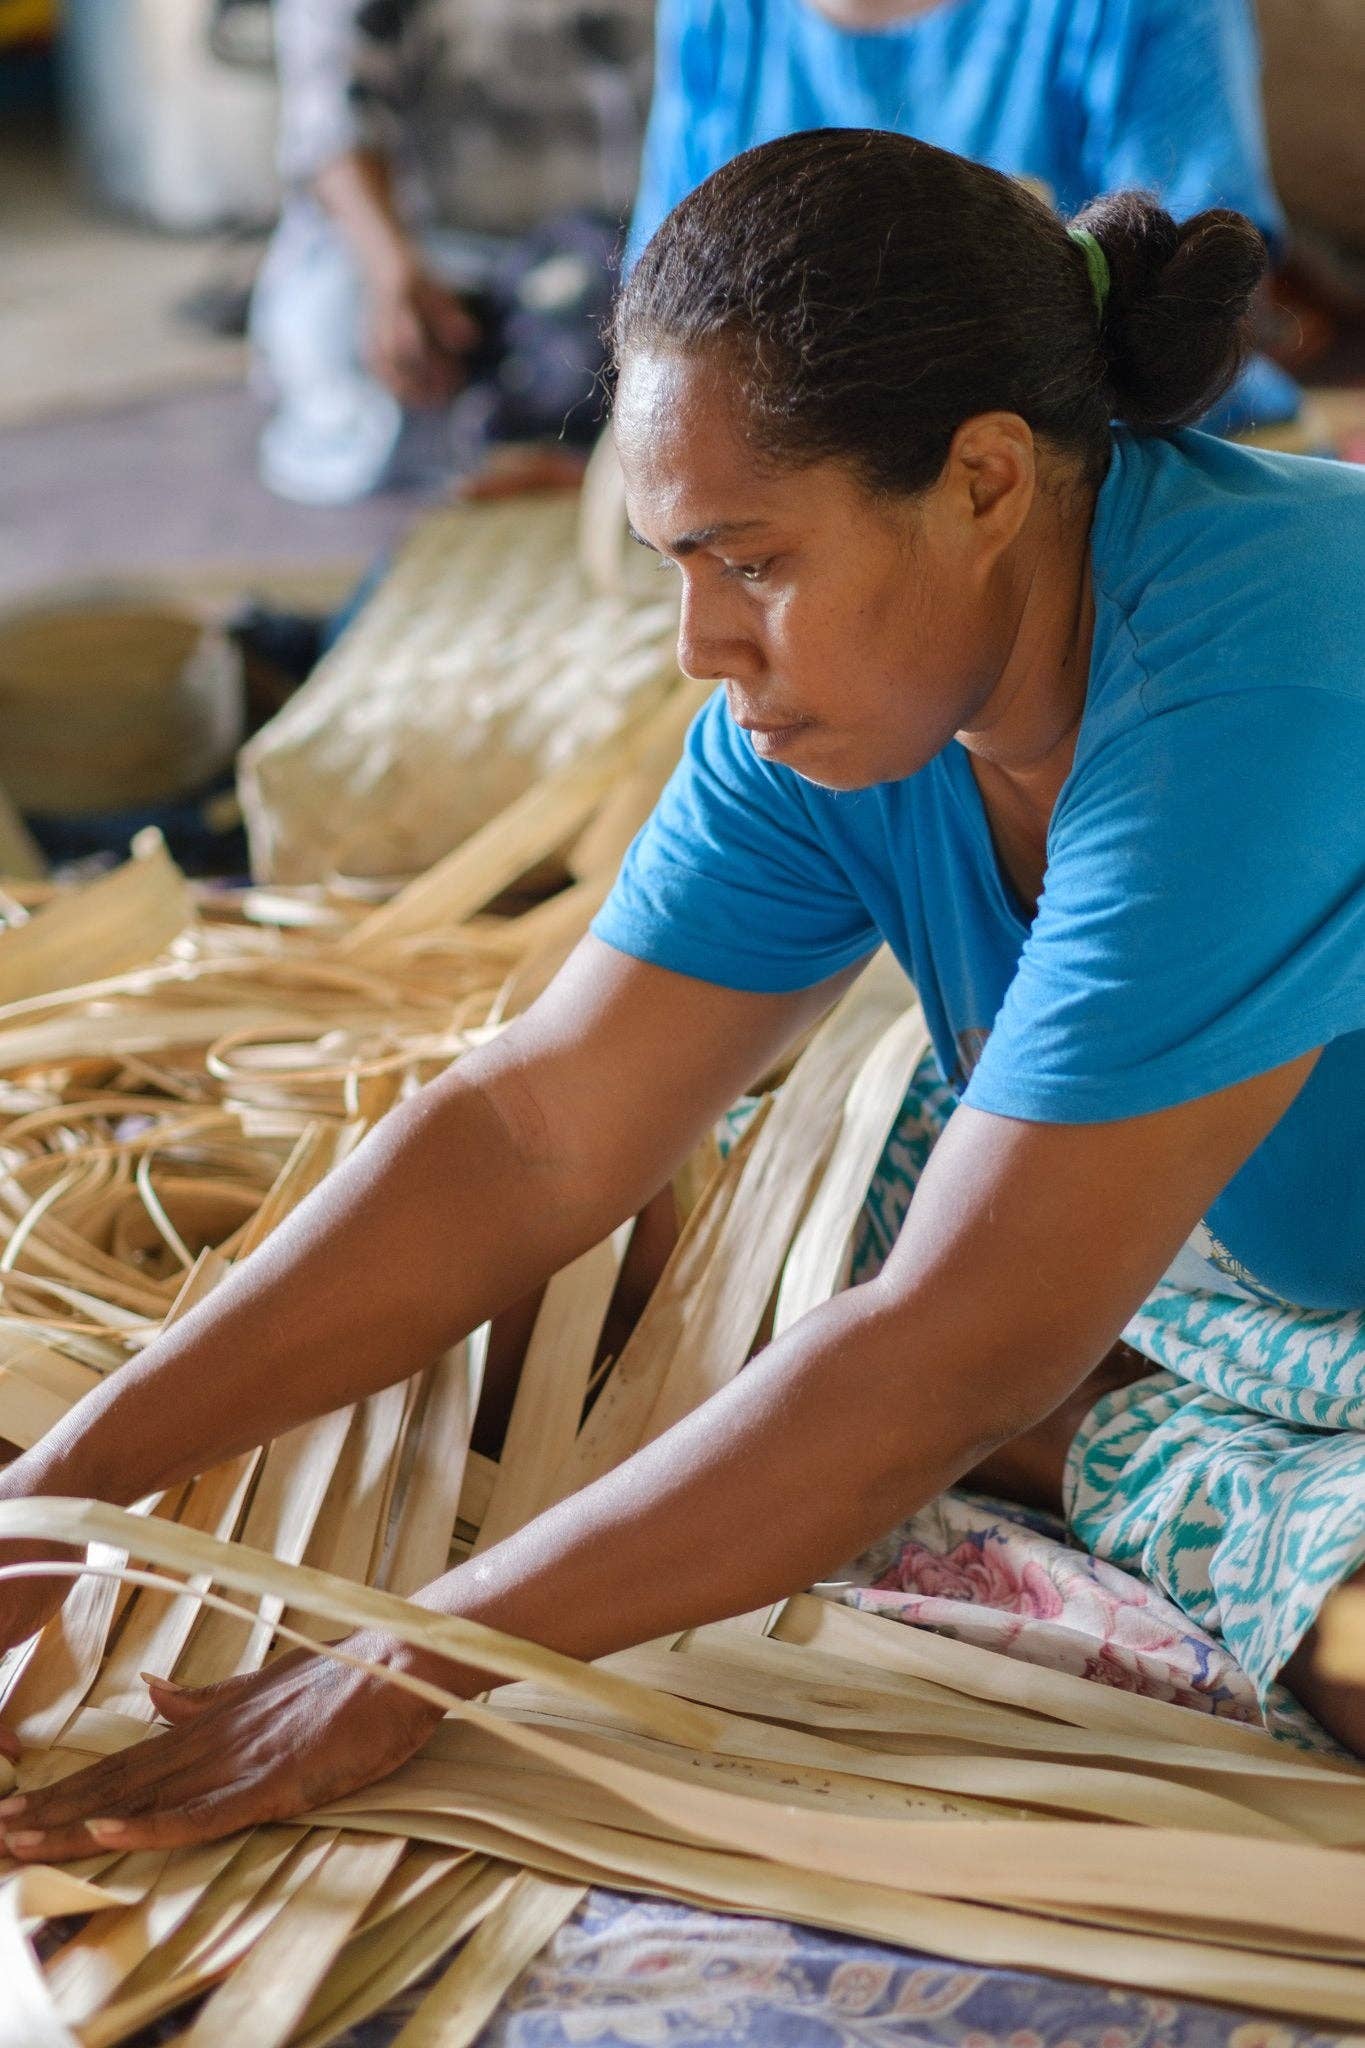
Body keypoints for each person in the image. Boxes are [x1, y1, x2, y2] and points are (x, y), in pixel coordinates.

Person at [2, 129, 1363, 1860]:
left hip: (1286, 1271)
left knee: (1340, 1630)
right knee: (642, 1261)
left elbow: (952, 1338)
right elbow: (532, 1128)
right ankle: (1081, 1398)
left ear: (989, 481)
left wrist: (406, 1663)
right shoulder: (834, 711)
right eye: (676, 564)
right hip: (1210, 1228)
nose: (701, 651)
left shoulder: (1260, 694)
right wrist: (54, 1497)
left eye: (755, 560)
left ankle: (1079, 1424)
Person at [627, 0, 1305, 441]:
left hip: (1111, 439)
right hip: (808, 468)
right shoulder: (714, 15)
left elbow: (1207, 293)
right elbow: (663, 303)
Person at [251, 0, 655, 504]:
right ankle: (573, 441)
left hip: (604, 242)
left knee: (641, 322)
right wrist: (393, 271)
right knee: (336, 338)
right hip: (429, 251)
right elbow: (329, 121)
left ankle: (565, 445)